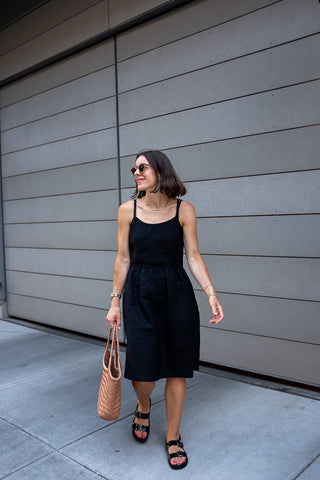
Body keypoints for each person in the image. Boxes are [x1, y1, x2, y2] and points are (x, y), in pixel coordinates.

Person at [106, 150, 224, 470]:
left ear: (161, 171)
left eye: (143, 167)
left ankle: (173, 435)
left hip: (177, 293)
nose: (136, 172)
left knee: (177, 366)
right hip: (139, 294)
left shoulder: (184, 210)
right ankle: (143, 406)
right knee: (142, 369)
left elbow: (194, 256)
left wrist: (211, 292)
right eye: (134, 168)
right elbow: (123, 258)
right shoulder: (127, 210)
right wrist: (115, 300)